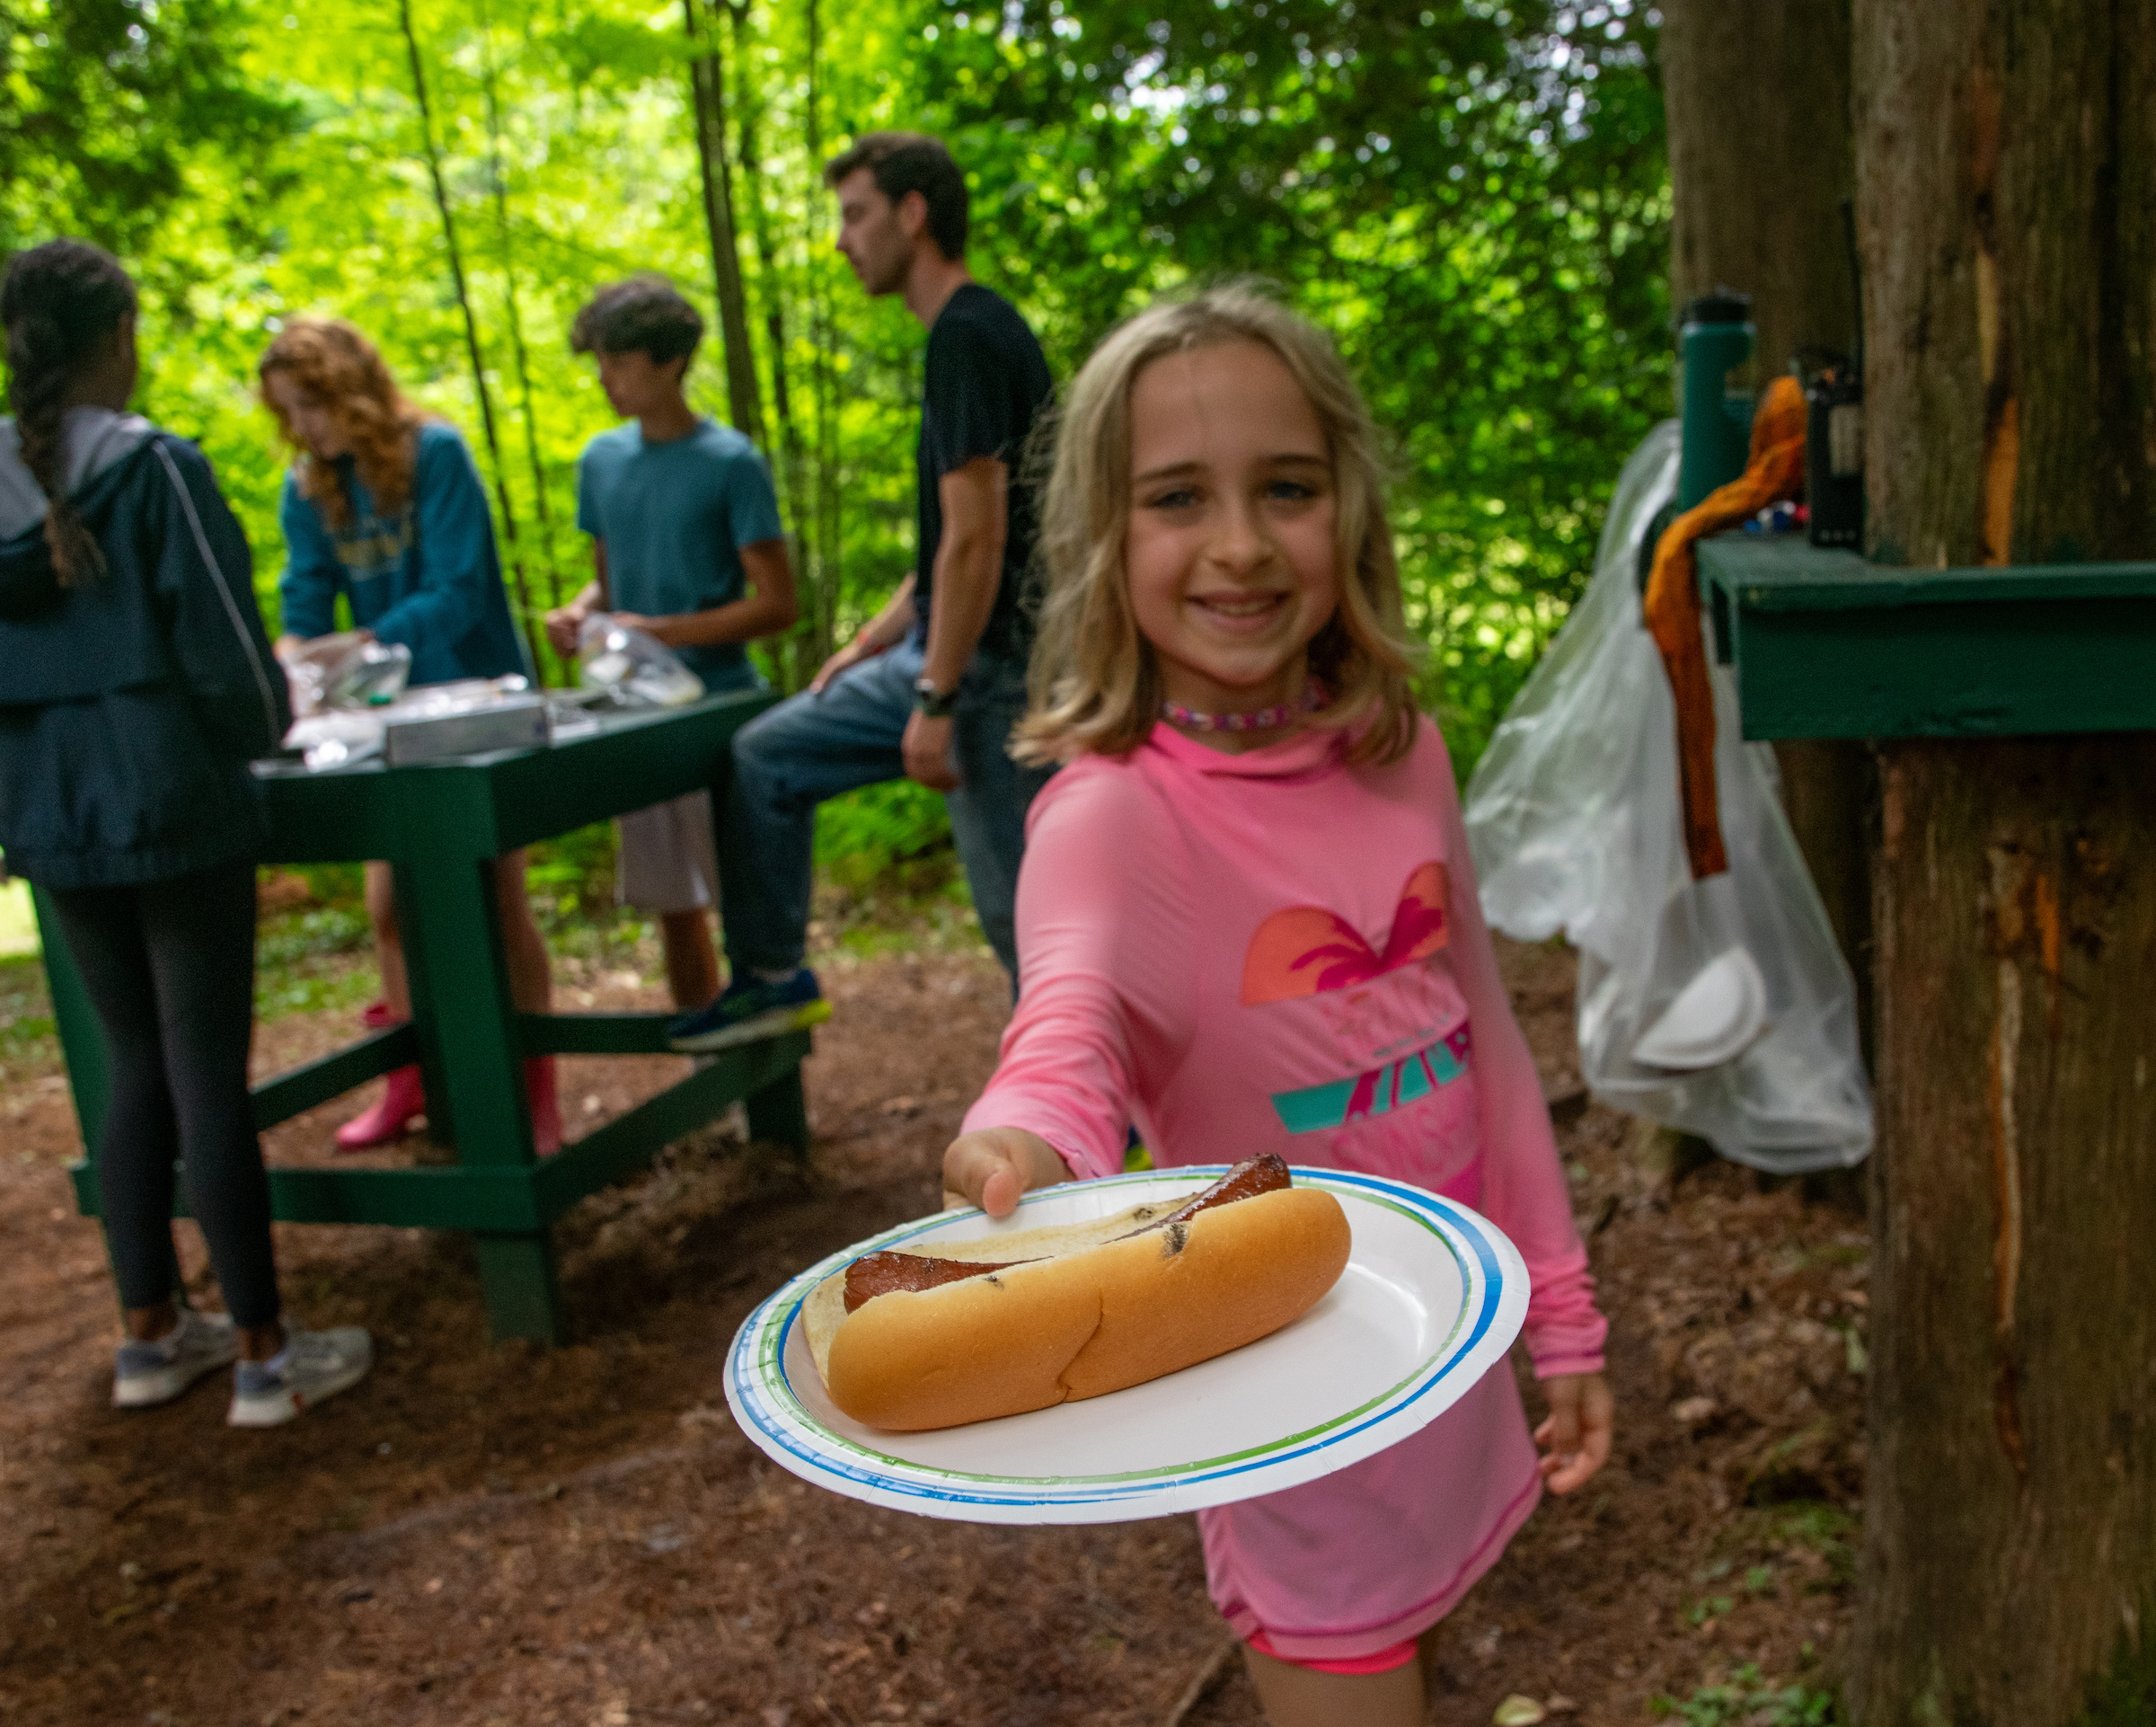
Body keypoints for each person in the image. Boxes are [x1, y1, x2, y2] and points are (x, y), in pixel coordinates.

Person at [939, 286, 1615, 1727]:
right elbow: (1066, 1025)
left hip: (1452, 1357)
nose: (1241, 544)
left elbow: (1485, 1033)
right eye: (1179, 498)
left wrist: (1559, 1314)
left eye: (1287, 488)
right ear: (1106, 544)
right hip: (1293, 1402)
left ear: (1349, 510)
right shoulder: (1112, 814)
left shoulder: (1400, 749)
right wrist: (1026, 1141)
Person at [0, 239, 373, 1424]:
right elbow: (222, 646)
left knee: (128, 1066)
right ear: (116, 336)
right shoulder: (154, 468)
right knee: (207, 1072)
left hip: (53, 813)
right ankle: (266, 1351)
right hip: (174, 800)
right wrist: (273, 724)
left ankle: (150, 1333)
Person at [671, 131, 1054, 1053]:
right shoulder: (967, 331)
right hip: (950, 652)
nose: (843, 239)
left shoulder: (967, 333)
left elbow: (983, 536)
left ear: (913, 213)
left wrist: (935, 694)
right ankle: (771, 976)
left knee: (1025, 921)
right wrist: (871, 643)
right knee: (768, 755)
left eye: (855, 214)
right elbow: (944, 550)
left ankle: (1096, 1123)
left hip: (990, 673)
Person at [261, 320, 561, 1155]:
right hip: (381, 725)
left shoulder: (437, 455)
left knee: (500, 902)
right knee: (390, 909)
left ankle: (536, 1096)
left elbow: (461, 591)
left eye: (315, 405)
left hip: (478, 708)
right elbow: (304, 606)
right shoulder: (308, 488)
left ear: (351, 388)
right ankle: (412, 1085)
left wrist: (365, 648)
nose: (307, 427)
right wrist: (295, 665)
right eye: (291, 413)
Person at [543, 277, 798, 1011]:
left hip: (720, 706)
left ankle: (768, 1074)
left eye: (618, 362)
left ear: (669, 362)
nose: (604, 379)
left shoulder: (731, 463)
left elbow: (777, 604)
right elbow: (607, 583)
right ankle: (701, 1064)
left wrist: (665, 632)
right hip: (635, 709)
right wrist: (579, 613)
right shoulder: (600, 460)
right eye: (598, 361)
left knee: (742, 900)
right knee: (671, 903)